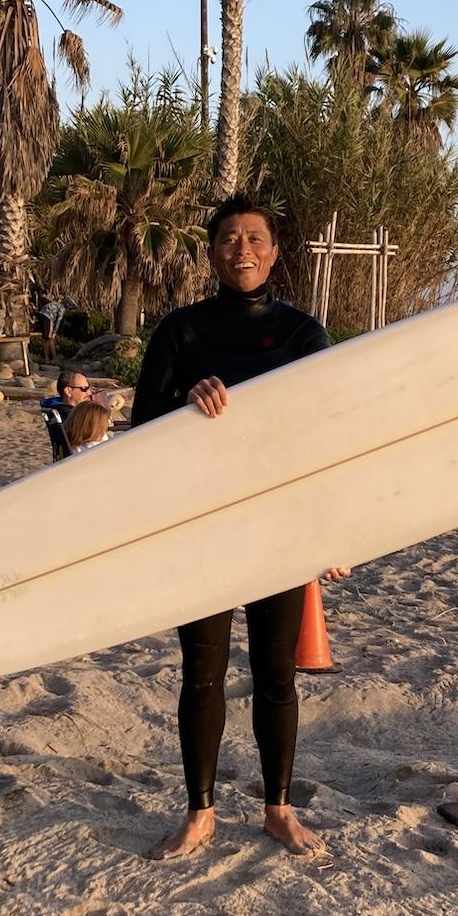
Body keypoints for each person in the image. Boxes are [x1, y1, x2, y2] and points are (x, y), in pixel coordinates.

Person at [133, 192, 346, 861]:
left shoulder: (302, 335)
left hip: (277, 526)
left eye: (255, 237)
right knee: (202, 671)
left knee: (277, 672)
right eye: (228, 238)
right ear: (211, 251)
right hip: (202, 525)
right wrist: (184, 405)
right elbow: (142, 429)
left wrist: (333, 533)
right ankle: (200, 813)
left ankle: (278, 810)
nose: (242, 249)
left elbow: (329, 437)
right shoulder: (180, 332)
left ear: (275, 251)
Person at [40, 367, 96, 464]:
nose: (89, 393)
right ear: (68, 391)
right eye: (84, 389)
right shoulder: (73, 417)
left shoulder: (56, 411)